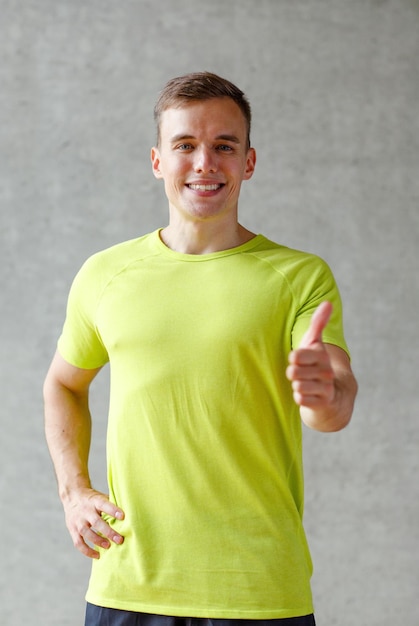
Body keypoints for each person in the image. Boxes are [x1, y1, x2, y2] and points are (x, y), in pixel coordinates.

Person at [43, 71, 358, 626]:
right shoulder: (105, 274)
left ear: (249, 162)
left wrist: (321, 391)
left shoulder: (299, 277)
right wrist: (74, 491)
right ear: (158, 160)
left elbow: (331, 407)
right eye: (185, 145)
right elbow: (64, 384)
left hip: (259, 590)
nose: (205, 162)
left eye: (224, 146)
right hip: (128, 585)